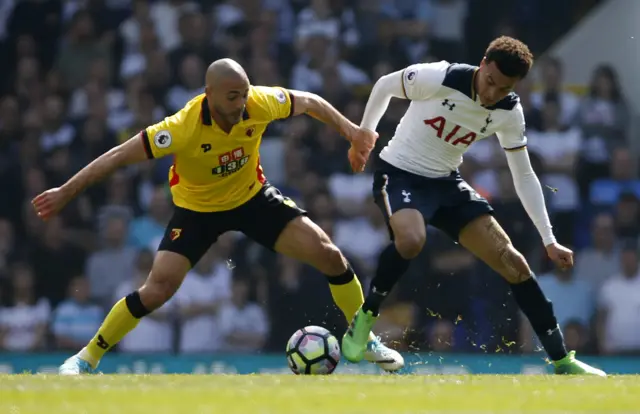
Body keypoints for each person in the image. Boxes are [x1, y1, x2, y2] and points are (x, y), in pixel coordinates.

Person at [33, 58, 403, 374]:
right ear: (209, 94)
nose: (242, 102)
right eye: (232, 96)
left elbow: (309, 102)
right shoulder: (181, 126)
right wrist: (66, 191)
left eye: (244, 93)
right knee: (157, 289)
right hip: (197, 211)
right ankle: (86, 357)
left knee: (330, 255)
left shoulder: (260, 102)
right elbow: (116, 156)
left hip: (252, 198)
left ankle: (364, 339)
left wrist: (352, 132)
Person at [343, 37, 605, 376]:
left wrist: (549, 239)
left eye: (504, 88)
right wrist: (365, 133)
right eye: (490, 81)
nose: (492, 94)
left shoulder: (509, 111)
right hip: (401, 174)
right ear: (483, 64)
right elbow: (384, 85)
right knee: (411, 240)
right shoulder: (439, 77)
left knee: (515, 264)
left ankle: (562, 361)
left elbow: (524, 175)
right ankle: (363, 324)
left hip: (447, 183)